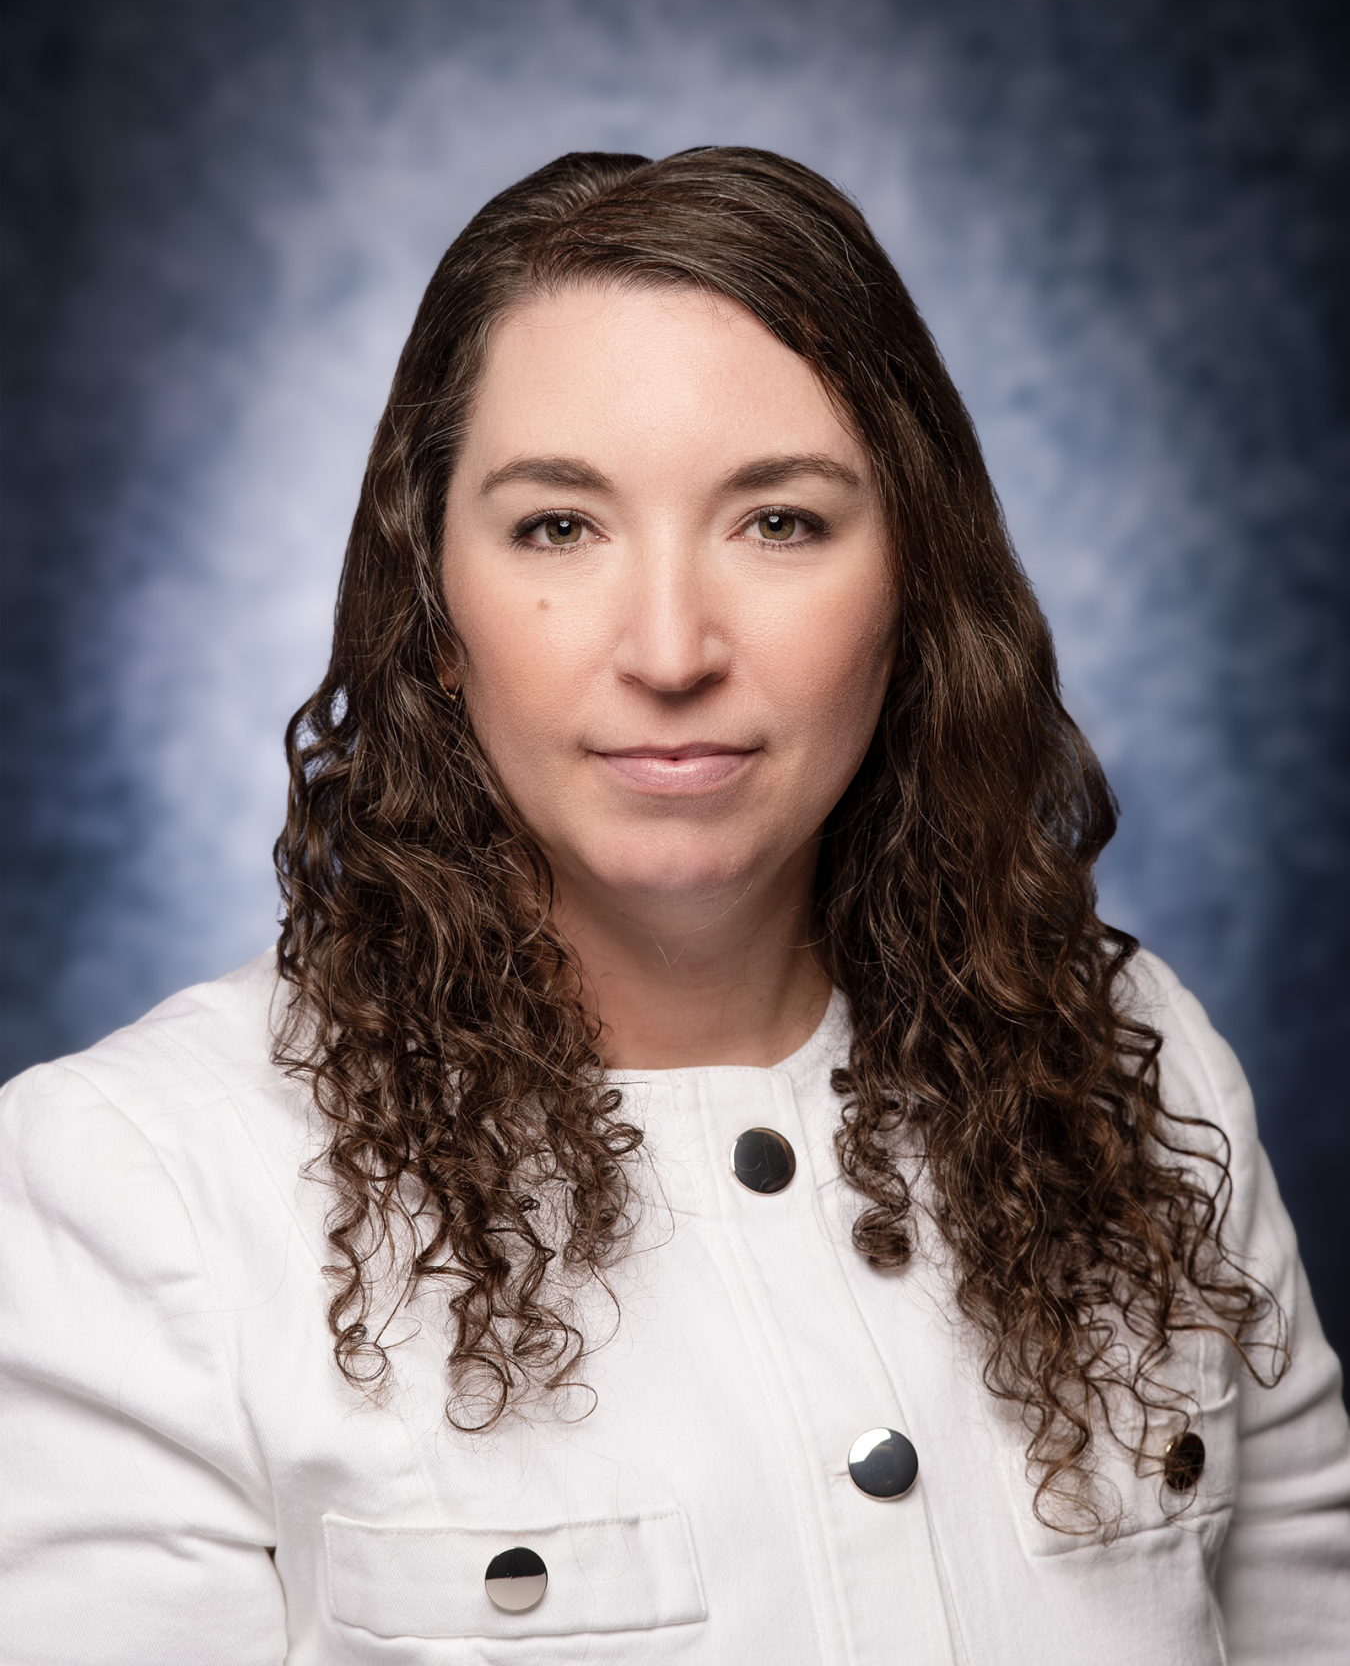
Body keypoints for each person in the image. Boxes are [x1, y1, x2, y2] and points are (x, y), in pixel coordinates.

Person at [1, 148, 1346, 1666]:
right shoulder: (132, 1188)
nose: (668, 647)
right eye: (557, 527)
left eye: (777, 521)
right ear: (433, 610)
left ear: (915, 588)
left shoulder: (1134, 1063)